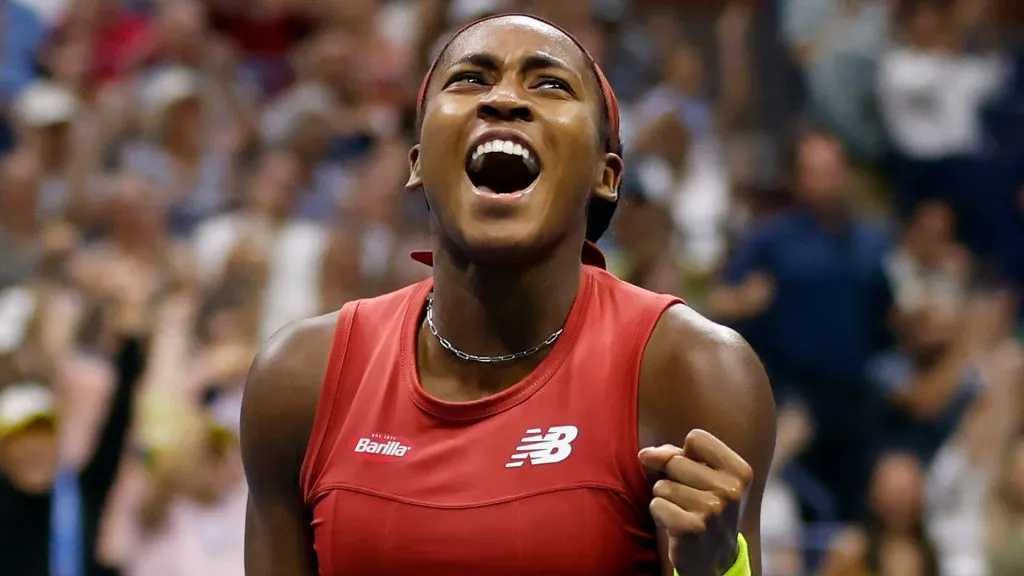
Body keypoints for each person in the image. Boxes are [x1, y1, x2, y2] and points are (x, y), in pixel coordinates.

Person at [240, 13, 775, 576]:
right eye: (470, 78)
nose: (503, 100)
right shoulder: (301, 378)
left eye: (550, 84)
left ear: (606, 175)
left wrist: (714, 571)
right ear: (418, 162)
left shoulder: (693, 371)